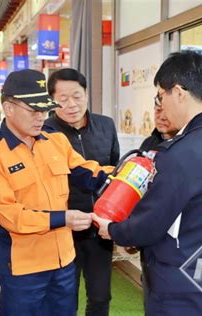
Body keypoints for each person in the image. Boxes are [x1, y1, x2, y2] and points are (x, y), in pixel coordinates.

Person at [92, 51, 202, 316]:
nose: (161, 105)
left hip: (181, 285)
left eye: (161, 96)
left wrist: (112, 229)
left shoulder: (179, 154)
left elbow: (149, 224)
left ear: (178, 92)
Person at [0, 69, 113, 316]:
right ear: (8, 108)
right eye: (33, 110)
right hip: (24, 266)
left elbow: (86, 171)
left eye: (44, 110)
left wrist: (122, 178)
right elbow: (9, 215)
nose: (41, 117)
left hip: (64, 260)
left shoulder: (55, 139)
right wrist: (63, 218)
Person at [45, 68, 119, 316]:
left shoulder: (106, 126)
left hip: (100, 228)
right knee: (64, 298)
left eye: (77, 96)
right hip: (61, 228)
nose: (71, 105)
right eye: (63, 99)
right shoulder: (43, 133)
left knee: (100, 296)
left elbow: (114, 176)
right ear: (51, 100)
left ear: (86, 94)